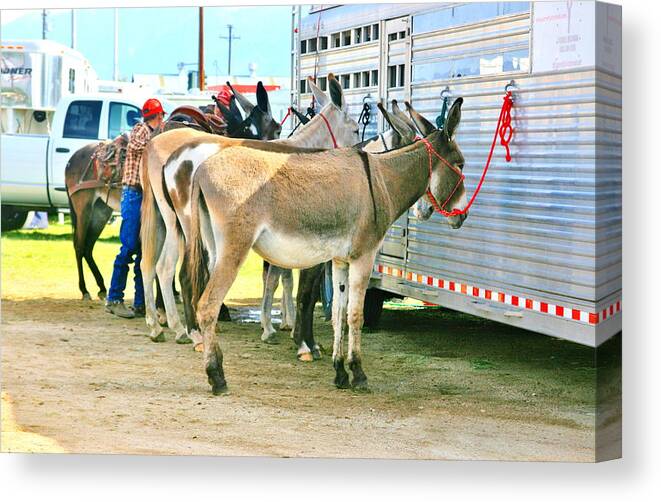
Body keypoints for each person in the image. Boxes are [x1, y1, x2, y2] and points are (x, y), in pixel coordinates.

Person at [105, 98, 166, 318]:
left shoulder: (148, 132)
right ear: (158, 117)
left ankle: (140, 303)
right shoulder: (142, 130)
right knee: (130, 246)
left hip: (142, 196)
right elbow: (138, 145)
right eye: (162, 117)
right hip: (134, 195)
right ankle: (114, 298)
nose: (163, 121)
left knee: (143, 250)